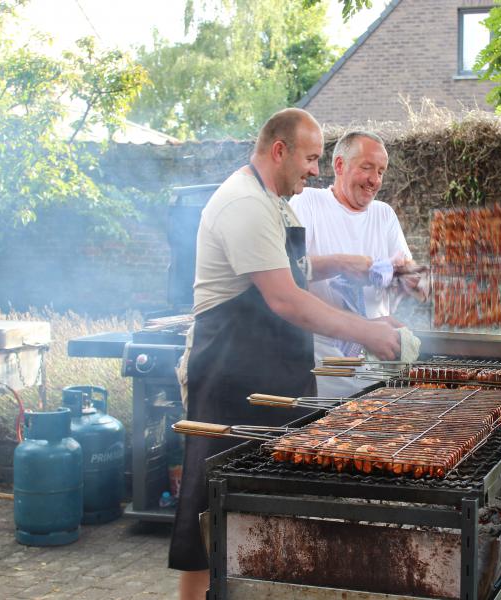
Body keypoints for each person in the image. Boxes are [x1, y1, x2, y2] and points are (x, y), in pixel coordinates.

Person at [169, 109, 401, 600]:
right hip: (229, 381)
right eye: (312, 158)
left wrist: (344, 274)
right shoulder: (244, 204)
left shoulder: (276, 201)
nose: (315, 170)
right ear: (280, 151)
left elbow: (292, 267)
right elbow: (285, 298)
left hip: (275, 378)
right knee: (212, 515)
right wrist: (365, 333)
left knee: (267, 518)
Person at [290, 130, 418, 398]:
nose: (375, 180)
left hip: (377, 350)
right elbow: (289, 270)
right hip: (325, 355)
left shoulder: (384, 214)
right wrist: (342, 265)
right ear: (339, 165)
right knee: (336, 429)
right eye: (367, 168)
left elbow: (406, 270)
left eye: (381, 171)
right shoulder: (307, 203)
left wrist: (410, 280)